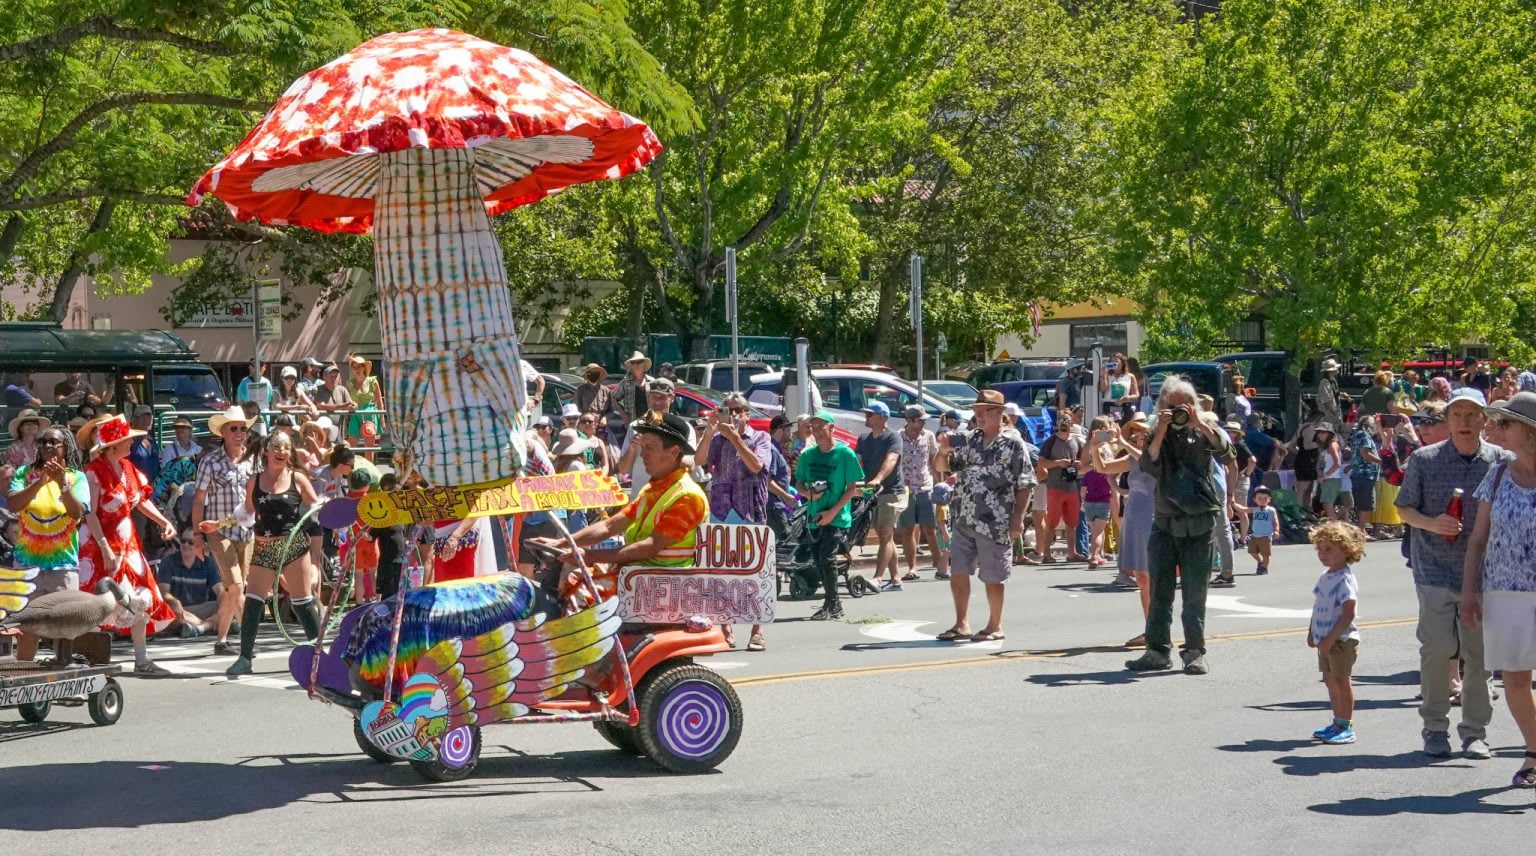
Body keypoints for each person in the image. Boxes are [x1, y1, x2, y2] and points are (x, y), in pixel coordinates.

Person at [1395, 387, 1509, 760]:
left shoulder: (1500, 461)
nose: (1463, 422)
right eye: (1456, 415)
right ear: (1447, 420)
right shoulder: (1424, 460)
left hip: (1484, 575)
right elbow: (1404, 510)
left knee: (1478, 656)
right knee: (1437, 651)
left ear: (1484, 420)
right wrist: (1431, 523)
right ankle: (1434, 729)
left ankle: (1475, 733)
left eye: (1471, 415)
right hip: (1435, 570)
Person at [1126, 379, 1234, 675]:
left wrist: (1199, 423)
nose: (1179, 412)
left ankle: (1195, 652)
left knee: (1194, 592)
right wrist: (1160, 429)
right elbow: (1149, 467)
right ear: (1162, 407)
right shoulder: (1154, 433)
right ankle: (1157, 652)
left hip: (1199, 521)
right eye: (1172, 406)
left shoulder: (1204, 430)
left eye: (1185, 406)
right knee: (1160, 590)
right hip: (1165, 521)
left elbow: (1227, 454)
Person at [1459, 391, 1536, 787]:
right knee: (1516, 680)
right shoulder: (1499, 474)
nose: (1496, 429)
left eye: (1505, 423)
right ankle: (1533, 752)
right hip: (1504, 591)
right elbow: (1477, 539)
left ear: (1529, 432)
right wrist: (1470, 591)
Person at [547, 412, 708, 600]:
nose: (643, 454)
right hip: (639, 575)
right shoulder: (652, 489)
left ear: (673, 452)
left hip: (663, 585)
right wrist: (563, 542)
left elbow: (650, 546)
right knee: (572, 574)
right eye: (642, 447)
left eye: (649, 448)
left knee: (578, 590)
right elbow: (610, 525)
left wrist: (591, 556)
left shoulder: (687, 496)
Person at [217, 431, 325, 676]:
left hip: (294, 547)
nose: (282, 451)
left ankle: (320, 659)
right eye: (276, 447)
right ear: (266, 450)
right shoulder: (255, 480)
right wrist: (218, 525)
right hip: (264, 546)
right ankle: (245, 658)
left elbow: (317, 509)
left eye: (286, 447)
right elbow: (245, 514)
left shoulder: (298, 478)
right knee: (253, 601)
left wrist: (334, 511)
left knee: (303, 603)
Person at [77, 414, 177, 676]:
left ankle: (141, 659)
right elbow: (90, 513)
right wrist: (103, 547)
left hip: (128, 544)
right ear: (112, 445)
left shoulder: (128, 469)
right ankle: (89, 660)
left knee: (142, 595)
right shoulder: (93, 472)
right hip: (99, 544)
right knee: (97, 601)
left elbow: (141, 502)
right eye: (126, 439)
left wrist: (163, 520)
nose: (131, 442)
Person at [932, 390, 1034, 642]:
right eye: (977, 411)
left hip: (996, 518)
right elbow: (942, 466)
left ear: (999, 413)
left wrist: (1018, 518)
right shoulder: (971, 440)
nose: (979, 415)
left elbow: (1026, 483)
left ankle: (994, 625)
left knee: (993, 574)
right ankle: (961, 624)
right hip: (965, 515)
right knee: (958, 570)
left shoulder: (1013, 443)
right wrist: (943, 450)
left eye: (985, 411)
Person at [5, 425, 90, 663]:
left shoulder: (76, 477)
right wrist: (40, 483)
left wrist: (62, 482)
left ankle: (64, 674)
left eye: (53, 442)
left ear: (65, 448)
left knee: (64, 625)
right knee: (27, 626)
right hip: (26, 565)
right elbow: (13, 505)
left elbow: (77, 513)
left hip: (62, 565)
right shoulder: (24, 473)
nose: (47, 447)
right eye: (43, 442)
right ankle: (24, 677)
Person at [697, 392, 773, 651]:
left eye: (738, 409)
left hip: (749, 511)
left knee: (755, 572)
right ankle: (726, 627)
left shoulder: (761, 437)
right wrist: (709, 431)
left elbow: (756, 466)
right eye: (728, 409)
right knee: (722, 571)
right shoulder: (718, 438)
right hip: (721, 510)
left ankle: (757, 630)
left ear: (747, 413)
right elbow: (700, 461)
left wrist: (736, 439)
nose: (734, 414)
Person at [191, 405, 256, 656]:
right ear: (223, 432)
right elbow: (198, 500)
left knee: (234, 588)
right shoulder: (210, 461)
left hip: (246, 532)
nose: (240, 433)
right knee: (237, 586)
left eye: (243, 428)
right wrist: (198, 536)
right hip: (218, 531)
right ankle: (248, 643)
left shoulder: (252, 461)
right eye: (234, 428)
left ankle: (221, 641)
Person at [795, 410, 865, 621]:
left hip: (836, 516)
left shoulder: (845, 454)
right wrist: (808, 493)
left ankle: (832, 604)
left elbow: (852, 488)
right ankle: (832, 603)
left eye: (820, 427)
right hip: (815, 516)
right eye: (813, 428)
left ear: (831, 428)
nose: (816, 431)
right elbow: (798, 483)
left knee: (826, 557)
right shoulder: (808, 455)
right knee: (818, 560)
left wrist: (832, 512)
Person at [1308, 520, 1366, 745]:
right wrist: (1312, 632)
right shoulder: (1326, 576)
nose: (1322, 554)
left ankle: (1346, 725)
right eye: (1320, 549)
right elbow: (1317, 605)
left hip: (1341, 641)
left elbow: (1348, 614)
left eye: (1329, 549)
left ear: (1347, 550)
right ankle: (1337, 721)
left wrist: (1330, 639)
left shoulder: (1345, 579)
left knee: (1342, 681)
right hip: (1324, 640)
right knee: (1329, 680)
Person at [1098, 414, 1152, 643]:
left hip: (1152, 516)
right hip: (1133, 515)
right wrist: (1094, 448)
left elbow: (1148, 461)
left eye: (1143, 433)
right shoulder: (1132, 458)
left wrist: (1124, 444)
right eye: (1136, 434)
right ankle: (1151, 627)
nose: (1139, 436)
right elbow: (1103, 468)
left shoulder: (1155, 455)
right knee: (1141, 575)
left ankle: (1157, 629)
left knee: (1152, 575)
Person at [855, 402, 907, 591]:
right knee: (884, 534)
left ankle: (877, 578)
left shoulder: (893, 437)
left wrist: (878, 478)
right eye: (867, 413)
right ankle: (895, 579)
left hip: (891, 491)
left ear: (883, 418)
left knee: (885, 533)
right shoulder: (863, 438)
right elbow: (857, 461)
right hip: (871, 492)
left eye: (870, 414)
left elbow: (891, 459)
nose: (866, 417)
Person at [617, 379, 696, 498]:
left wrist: (661, 446)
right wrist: (632, 448)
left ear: (673, 398)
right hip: (640, 500)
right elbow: (623, 470)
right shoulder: (635, 426)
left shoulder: (684, 429)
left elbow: (690, 466)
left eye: (662, 398)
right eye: (654, 397)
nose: (657, 402)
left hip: (671, 500)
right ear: (649, 398)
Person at [896, 405, 940, 583]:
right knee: (907, 529)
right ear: (909, 420)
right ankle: (912, 567)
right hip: (906, 488)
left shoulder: (928, 436)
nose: (923, 423)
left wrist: (941, 482)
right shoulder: (898, 437)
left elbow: (934, 460)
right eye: (920, 420)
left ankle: (940, 562)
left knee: (930, 527)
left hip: (925, 486)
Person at [158, 526, 224, 638]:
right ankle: (210, 626)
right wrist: (174, 601)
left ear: (200, 544)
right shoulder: (168, 561)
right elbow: (163, 592)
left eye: (191, 542)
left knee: (227, 602)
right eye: (183, 541)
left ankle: (197, 628)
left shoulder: (208, 563)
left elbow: (220, 591)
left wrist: (222, 606)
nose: (185, 545)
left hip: (201, 609)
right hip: (179, 611)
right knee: (168, 611)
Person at [1038, 411, 1087, 563]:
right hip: (1055, 487)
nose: (1064, 423)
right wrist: (1058, 463)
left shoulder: (1077, 441)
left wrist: (1080, 464)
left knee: (1072, 521)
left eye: (1066, 421)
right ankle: (1046, 554)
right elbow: (1041, 462)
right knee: (1052, 521)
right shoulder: (1051, 441)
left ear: (1072, 423)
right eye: (1061, 421)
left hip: (1071, 485)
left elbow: (1085, 461)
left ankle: (1072, 553)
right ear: (1057, 423)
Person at [1081, 417, 1119, 568]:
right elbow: (1083, 468)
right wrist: (1099, 465)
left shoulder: (1108, 444)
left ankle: (1100, 553)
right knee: (1100, 526)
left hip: (1102, 487)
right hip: (1102, 486)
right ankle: (1095, 555)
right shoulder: (1091, 445)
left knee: (1102, 525)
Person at [1348, 416, 1383, 538]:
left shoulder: (1356, 435)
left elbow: (1356, 454)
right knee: (1366, 504)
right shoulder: (1364, 435)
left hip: (1358, 474)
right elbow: (1365, 453)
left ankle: (1359, 530)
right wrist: (1381, 461)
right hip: (1366, 474)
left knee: (1360, 503)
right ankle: (1361, 531)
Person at [344, 353, 384, 448]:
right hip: (355, 415)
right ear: (352, 369)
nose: (357, 369)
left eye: (359, 366)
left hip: (369, 414)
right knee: (351, 447)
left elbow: (379, 401)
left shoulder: (372, 381)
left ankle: (369, 463)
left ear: (364, 367)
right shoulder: (349, 384)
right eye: (354, 367)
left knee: (369, 448)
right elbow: (345, 402)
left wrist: (382, 419)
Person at [609, 351, 655, 423]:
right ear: (631, 366)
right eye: (633, 362)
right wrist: (623, 413)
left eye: (639, 362)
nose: (636, 365)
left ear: (644, 364)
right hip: (632, 423)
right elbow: (612, 398)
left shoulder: (652, 382)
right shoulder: (625, 382)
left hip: (651, 422)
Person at [1248, 487, 1279, 574]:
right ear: (1255, 499)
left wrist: (1276, 530)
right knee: (1252, 551)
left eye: (1265, 498)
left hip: (1266, 535)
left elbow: (1275, 521)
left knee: (1266, 554)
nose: (1262, 500)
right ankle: (1261, 562)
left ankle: (1264, 567)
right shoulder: (1254, 510)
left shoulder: (1271, 510)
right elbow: (1243, 509)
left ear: (1269, 499)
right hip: (1255, 535)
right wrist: (1233, 504)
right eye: (1259, 498)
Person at [1102, 353, 1140, 423]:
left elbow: (1136, 395)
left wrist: (1126, 398)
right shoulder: (1108, 375)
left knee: (1124, 429)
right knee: (1112, 428)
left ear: (1122, 363)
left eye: (1116, 362)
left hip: (1124, 406)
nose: (1114, 364)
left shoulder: (1129, 376)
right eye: (1112, 362)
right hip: (1110, 406)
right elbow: (1103, 389)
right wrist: (1104, 374)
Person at [1316, 357, 1345, 430]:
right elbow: (1327, 401)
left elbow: (1334, 394)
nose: (1337, 369)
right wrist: (1335, 413)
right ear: (1331, 371)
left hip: (1335, 412)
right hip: (1328, 415)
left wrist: (1341, 395)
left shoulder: (1333, 380)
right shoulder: (1324, 382)